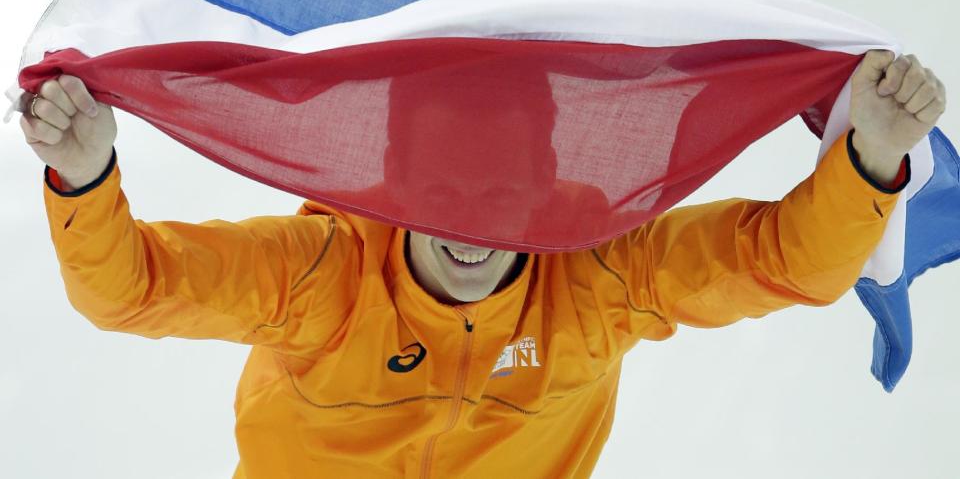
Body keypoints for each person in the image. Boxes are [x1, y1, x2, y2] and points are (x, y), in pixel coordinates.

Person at [19, 49, 946, 478]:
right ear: (395, 188)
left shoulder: (601, 275)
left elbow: (787, 262)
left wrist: (870, 159)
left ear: (544, 193)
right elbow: (131, 289)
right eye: (444, 196)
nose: (470, 230)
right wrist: (85, 172)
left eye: (500, 197)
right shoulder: (323, 274)